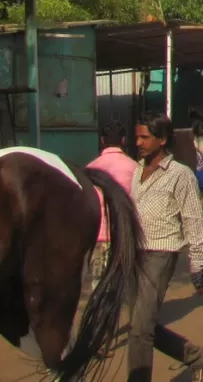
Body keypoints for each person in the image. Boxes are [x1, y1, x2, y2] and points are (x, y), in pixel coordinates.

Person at [128, 113, 203, 382]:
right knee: (142, 326)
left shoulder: (181, 175)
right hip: (135, 255)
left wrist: (198, 265)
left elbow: (194, 220)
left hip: (161, 254)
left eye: (145, 137)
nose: (139, 142)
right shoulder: (136, 169)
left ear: (162, 139)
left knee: (140, 331)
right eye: (137, 137)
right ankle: (198, 357)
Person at [86, 121, 138, 284]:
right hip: (124, 233)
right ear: (123, 140)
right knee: (121, 279)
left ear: (102, 140)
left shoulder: (90, 169)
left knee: (98, 278)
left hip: (98, 234)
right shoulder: (135, 167)